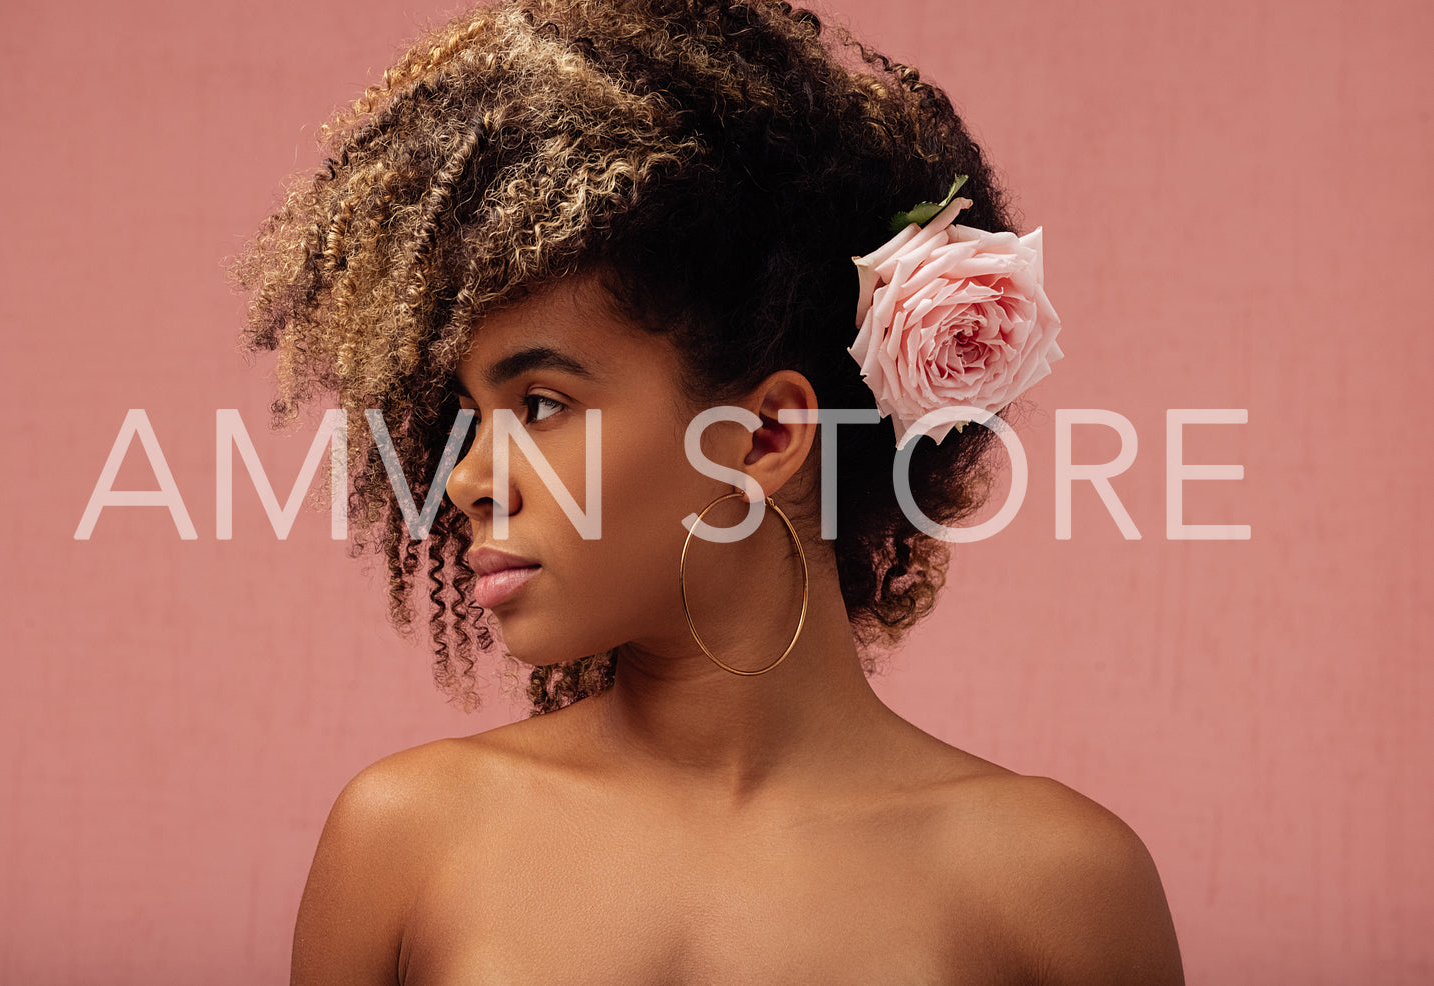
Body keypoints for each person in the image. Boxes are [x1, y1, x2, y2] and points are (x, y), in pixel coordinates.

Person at [231, 0, 1186, 982]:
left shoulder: (1055, 884)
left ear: (765, 434)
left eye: (541, 401)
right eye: (463, 416)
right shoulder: (405, 840)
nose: (465, 479)